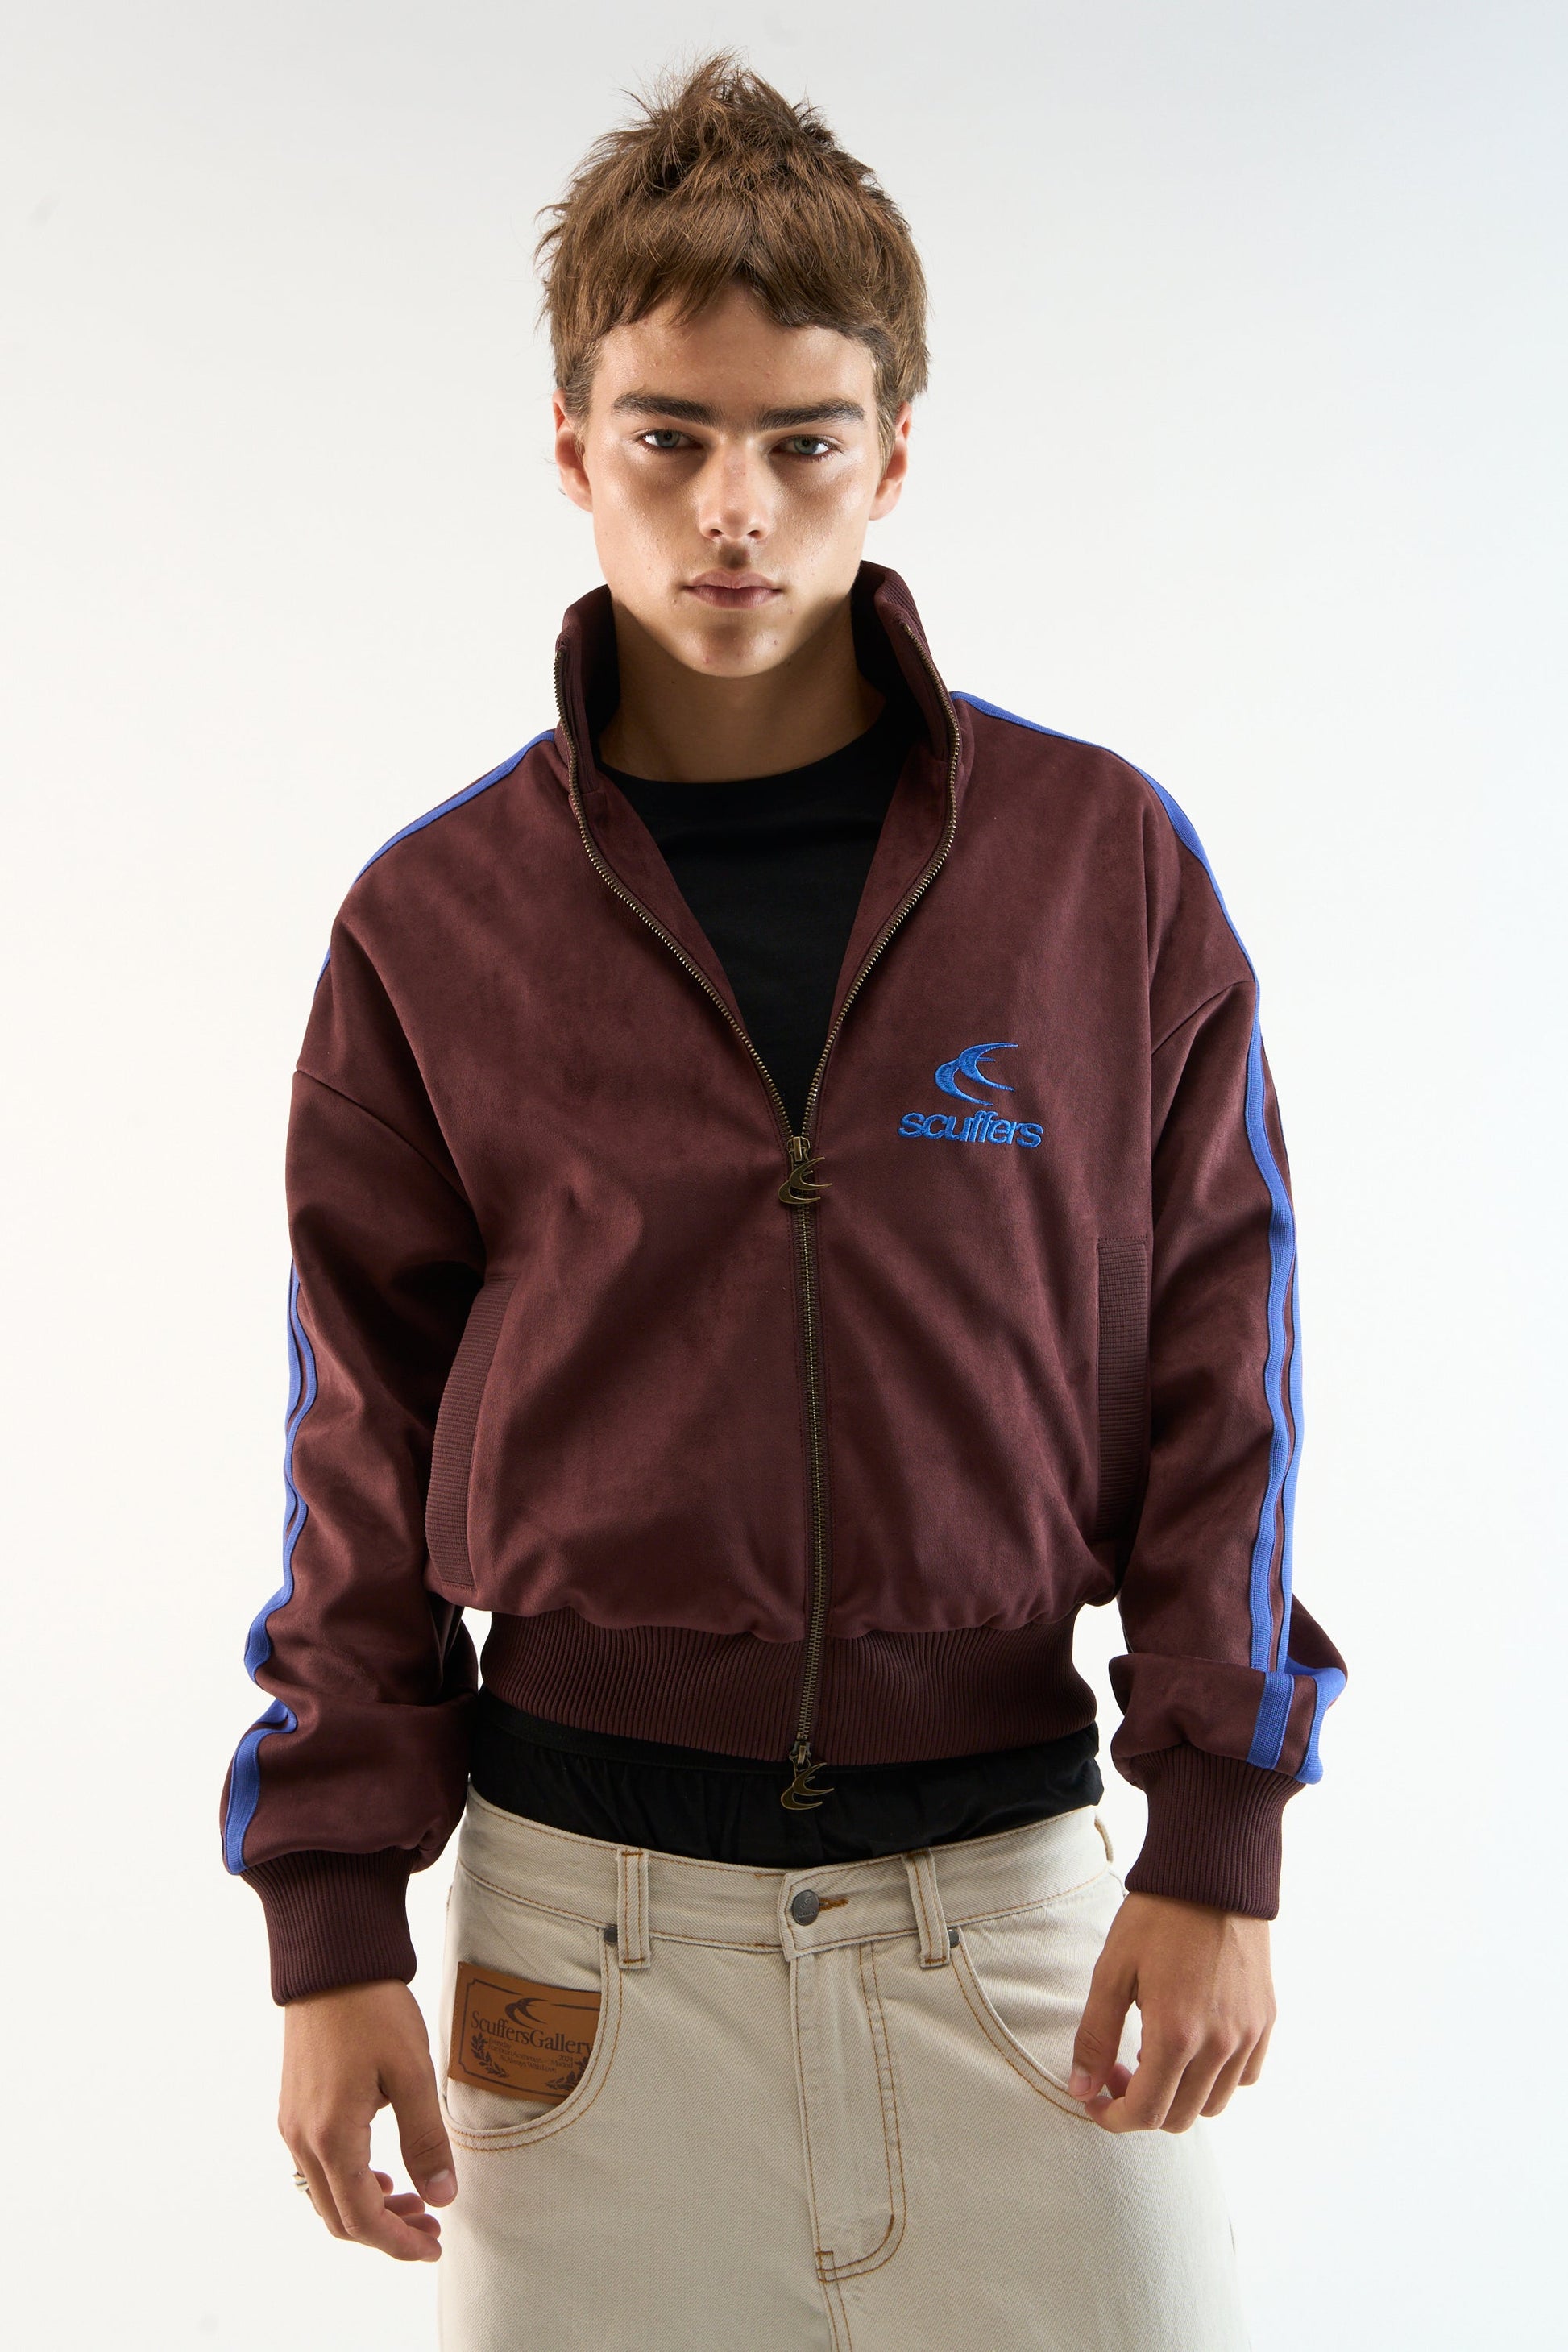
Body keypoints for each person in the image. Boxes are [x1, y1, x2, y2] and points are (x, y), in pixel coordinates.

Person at [222, 54, 1345, 2350]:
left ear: (892, 454)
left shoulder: (1095, 868)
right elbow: (360, 1436)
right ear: (573, 447)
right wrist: (330, 1919)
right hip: (579, 1946)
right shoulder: (436, 925)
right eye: (670, 437)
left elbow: (1223, 1362)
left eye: (801, 441)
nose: (732, 509)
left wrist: (1222, 1828)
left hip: (1018, 1922)